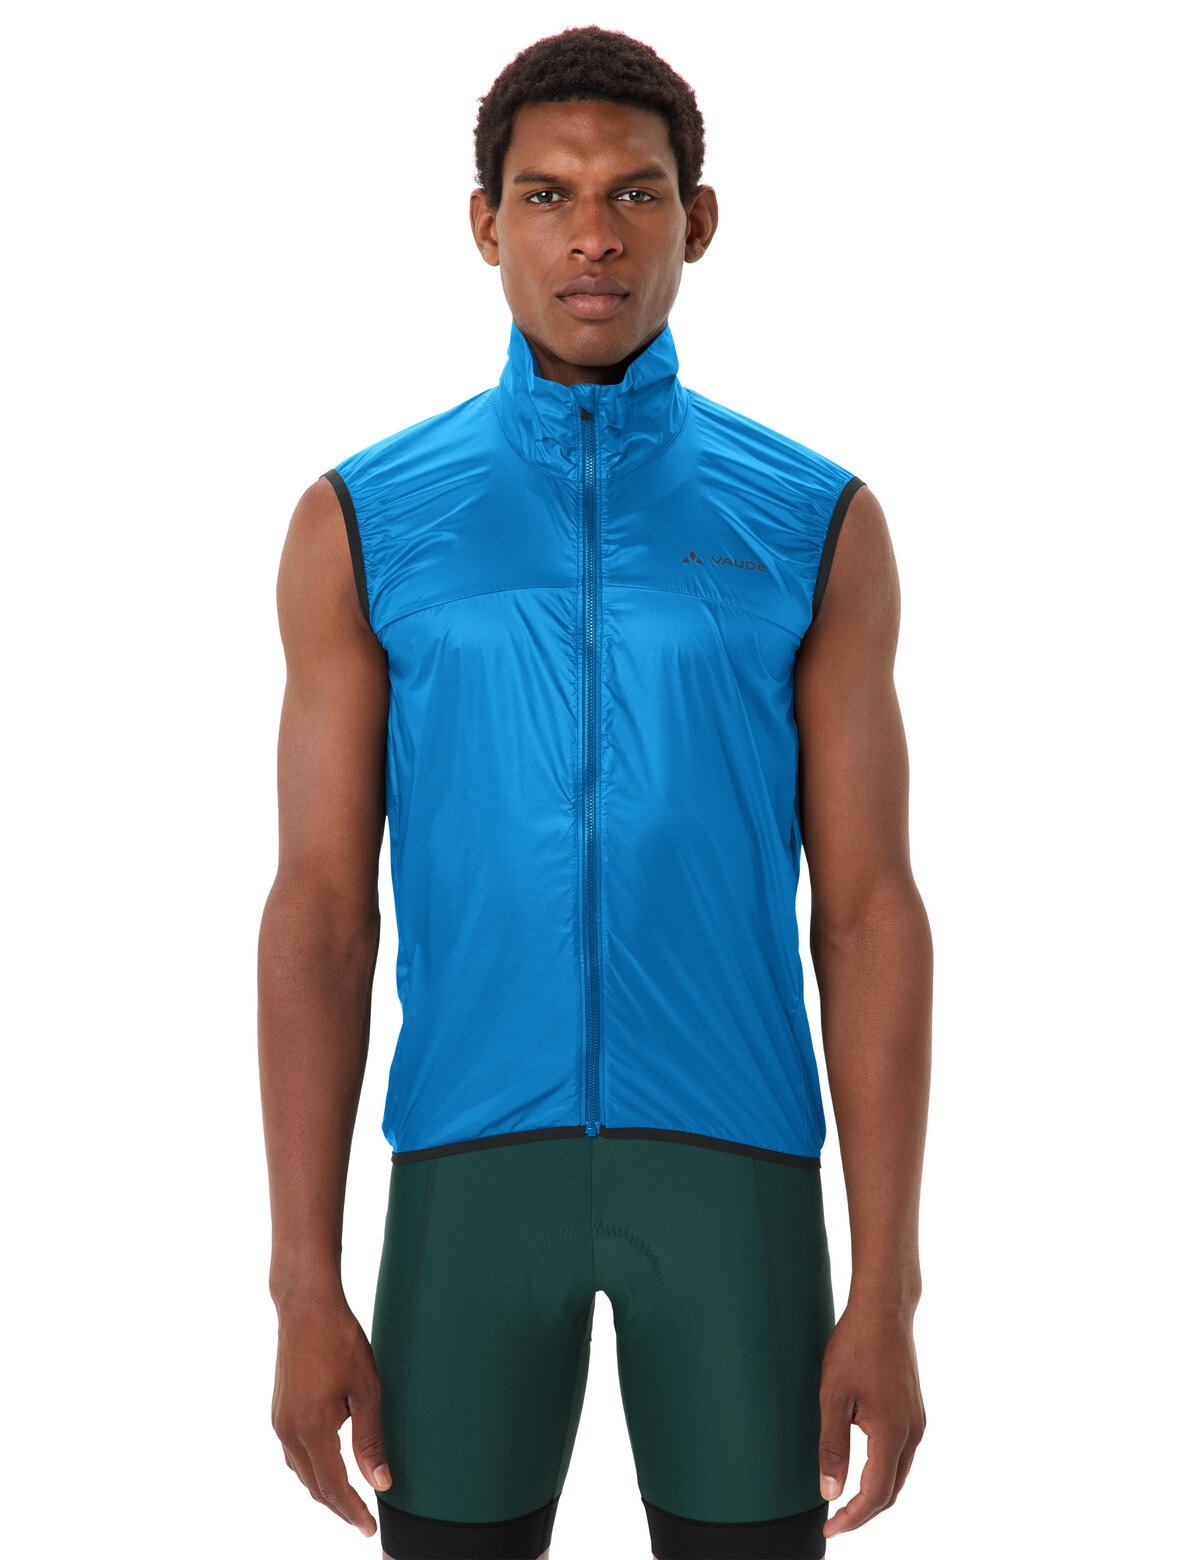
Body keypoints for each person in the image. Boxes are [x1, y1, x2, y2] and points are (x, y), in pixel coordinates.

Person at [258, 25, 931, 1560]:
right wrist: (302, 1281)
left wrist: (886, 1286)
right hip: (467, 1160)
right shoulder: (364, 518)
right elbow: (319, 911)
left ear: (701, 219)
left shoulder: (815, 518)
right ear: (484, 222)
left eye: (635, 194)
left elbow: (871, 912)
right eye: (547, 195)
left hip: (736, 1165)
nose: (593, 236)